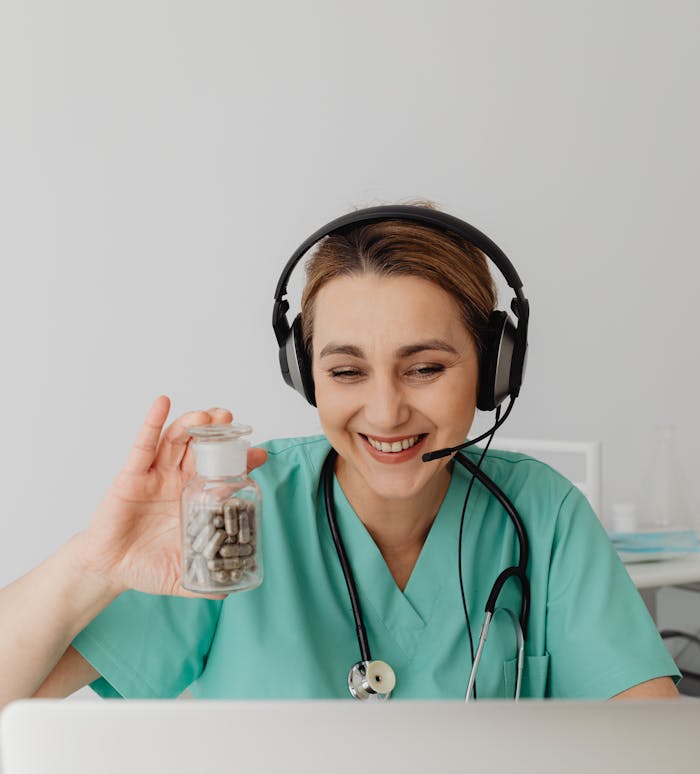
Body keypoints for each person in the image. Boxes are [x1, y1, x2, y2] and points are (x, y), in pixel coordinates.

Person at [0, 206, 679, 708]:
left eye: (425, 368)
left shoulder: (543, 515)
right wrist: (95, 564)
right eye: (348, 372)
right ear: (305, 375)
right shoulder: (232, 517)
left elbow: (654, 772)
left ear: (492, 371)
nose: (385, 412)